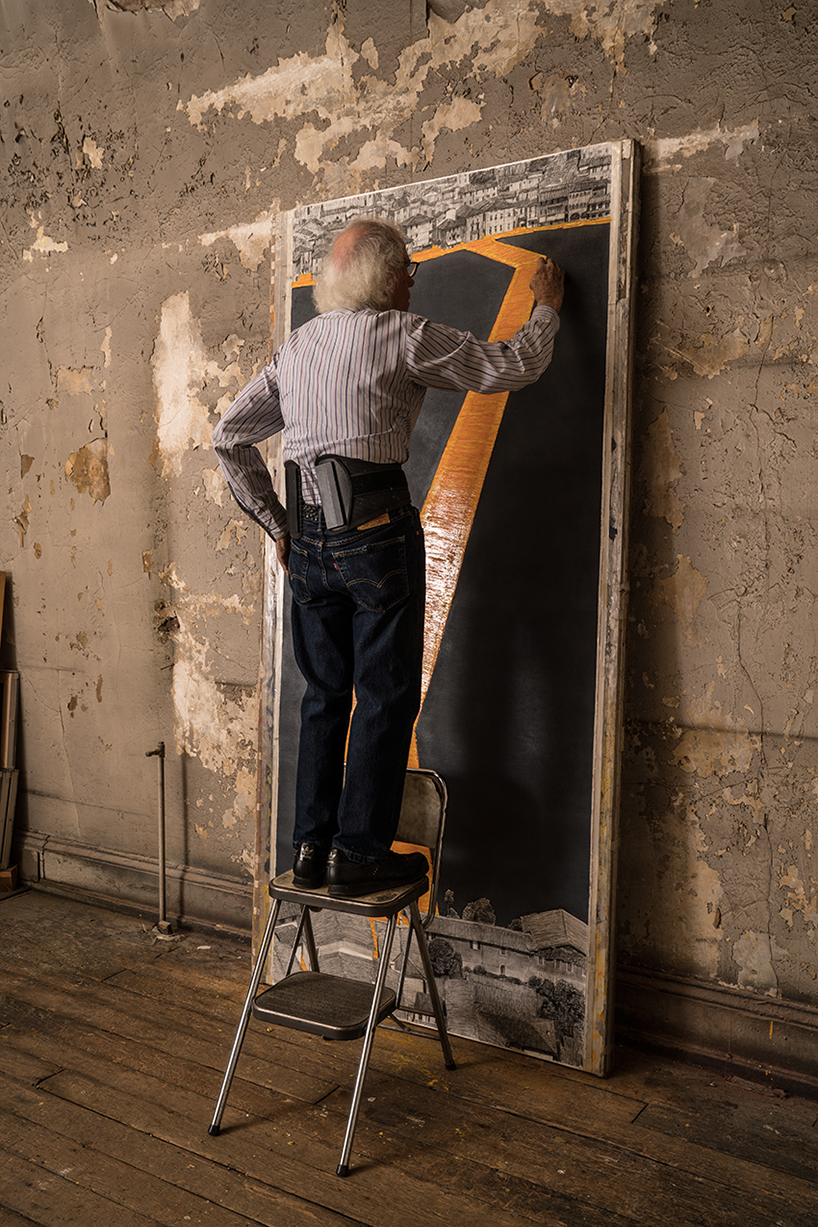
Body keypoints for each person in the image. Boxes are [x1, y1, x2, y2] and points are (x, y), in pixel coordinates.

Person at [213, 217, 564, 897]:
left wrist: (276, 524)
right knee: (384, 694)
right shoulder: (404, 336)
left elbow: (228, 436)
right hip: (374, 537)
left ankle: (311, 848)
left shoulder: (299, 346)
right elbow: (511, 364)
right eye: (409, 268)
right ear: (387, 275)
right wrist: (547, 306)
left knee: (324, 696)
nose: (412, 278)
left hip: (309, 544)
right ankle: (361, 853)